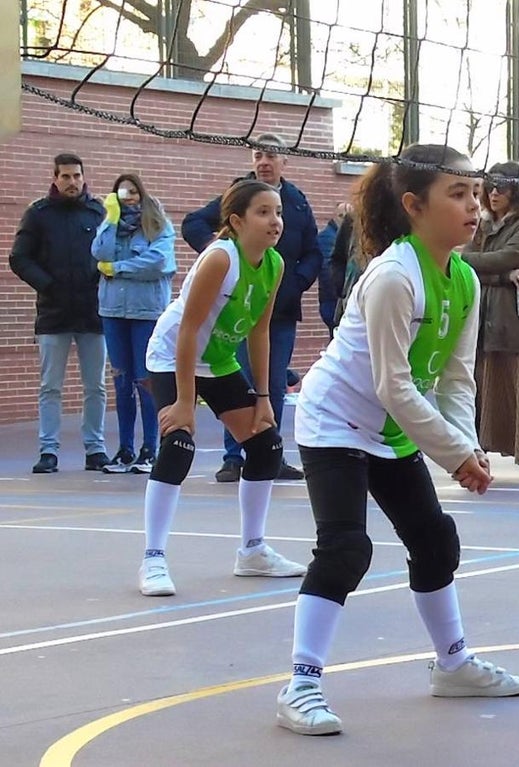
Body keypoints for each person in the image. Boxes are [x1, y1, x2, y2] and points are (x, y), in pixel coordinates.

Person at [275, 145, 519, 737]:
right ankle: (301, 685)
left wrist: (465, 446)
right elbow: (393, 385)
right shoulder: (392, 277)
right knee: (346, 548)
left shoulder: (463, 278)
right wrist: (454, 454)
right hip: (336, 420)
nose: (474, 207)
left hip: (391, 427)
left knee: (435, 539)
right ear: (414, 205)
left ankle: (454, 665)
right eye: (458, 195)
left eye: (476, 194)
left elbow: (455, 378)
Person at [139, 179, 308, 597]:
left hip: (217, 360)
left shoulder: (274, 264)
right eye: (264, 212)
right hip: (173, 355)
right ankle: (153, 559)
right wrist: (183, 402)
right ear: (236, 220)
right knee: (178, 445)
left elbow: (260, 333)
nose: (275, 221)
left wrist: (267, 397)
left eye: (279, 213)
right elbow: (188, 331)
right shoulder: (220, 258)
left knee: (266, 446)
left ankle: (252, 551)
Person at [182, 133, 323, 483]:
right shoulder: (239, 195)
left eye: (272, 155)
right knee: (238, 382)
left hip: (279, 308)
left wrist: (292, 284)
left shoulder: (297, 202)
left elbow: (314, 252)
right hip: (235, 313)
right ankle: (234, 457)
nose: (264, 161)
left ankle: (269, 452)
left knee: (272, 383)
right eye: (258, 154)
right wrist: (219, 254)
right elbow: (193, 223)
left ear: (284, 162)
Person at [9, 152, 110, 474]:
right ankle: (48, 451)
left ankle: (95, 449)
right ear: (55, 178)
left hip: (93, 314)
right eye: (65, 176)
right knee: (50, 387)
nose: (72, 182)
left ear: (84, 177)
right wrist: (48, 285)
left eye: (77, 176)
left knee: (95, 386)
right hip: (53, 314)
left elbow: (112, 254)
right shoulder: (39, 214)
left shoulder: (98, 213)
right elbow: (19, 258)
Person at [461, 162, 519, 481]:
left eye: (502, 187)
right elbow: (469, 265)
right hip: (482, 319)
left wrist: (479, 265)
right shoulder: (481, 224)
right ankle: (477, 453)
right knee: (480, 388)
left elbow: (499, 257)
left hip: (515, 320)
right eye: (491, 186)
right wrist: (501, 276)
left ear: (518, 191)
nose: (494, 192)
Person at [91, 173, 177, 474]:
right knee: (121, 380)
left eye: (132, 191)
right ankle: (125, 449)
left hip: (146, 312)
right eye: (121, 192)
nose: (128, 197)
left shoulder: (157, 224)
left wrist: (117, 269)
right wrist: (111, 219)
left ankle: (150, 448)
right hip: (113, 311)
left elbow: (157, 263)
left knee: (146, 381)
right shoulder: (110, 224)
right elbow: (98, 253)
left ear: (141, 192)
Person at [317, 202, 353, 337]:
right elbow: (329, 270)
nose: (344, 220)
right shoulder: (327, 238)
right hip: (332, 300)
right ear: (334, 217)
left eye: (347, 217)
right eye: (341, 216)